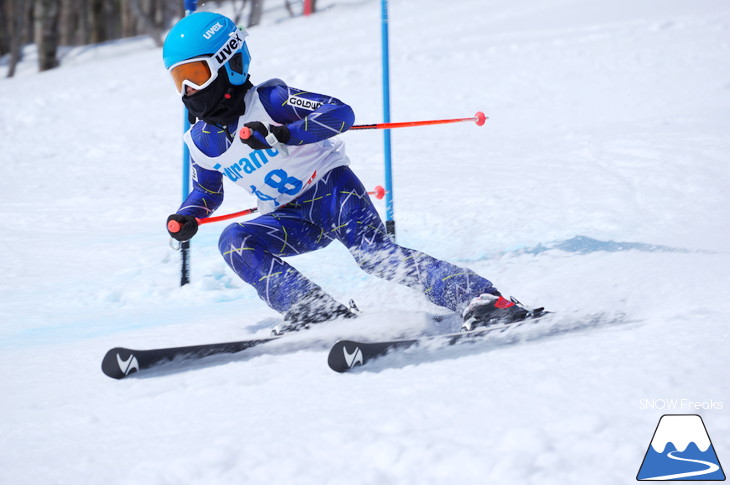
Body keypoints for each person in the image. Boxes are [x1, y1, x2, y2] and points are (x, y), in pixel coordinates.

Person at [162, 12, 541, 335]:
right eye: (181, 80)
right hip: (289, 217)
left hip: (331, 192)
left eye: (197, 74)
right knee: (234, 239)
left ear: (231, 62)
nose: (190, 90)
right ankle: (314, 310)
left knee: (374, 256)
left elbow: (340, 113)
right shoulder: (201, 140)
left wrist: (285, 132)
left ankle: (482, 298)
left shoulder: (270, 101)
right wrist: (187, 216)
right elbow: (208, 193)